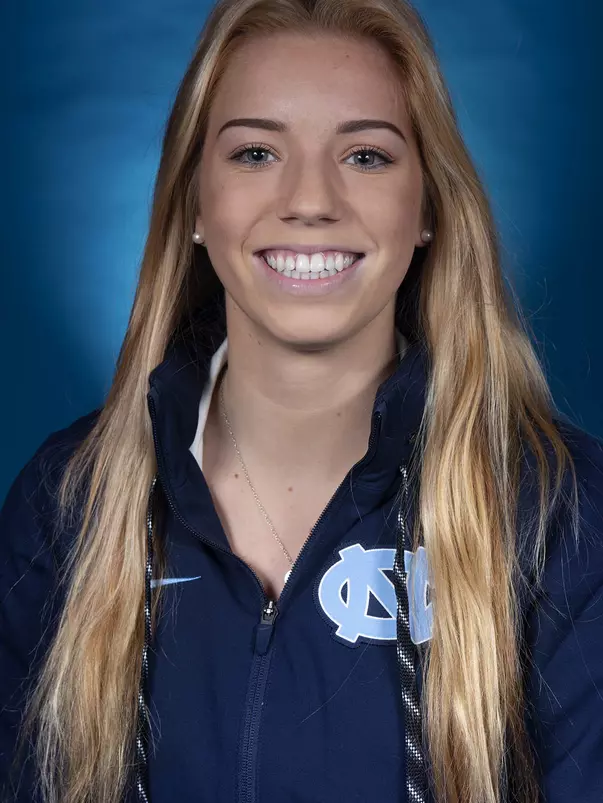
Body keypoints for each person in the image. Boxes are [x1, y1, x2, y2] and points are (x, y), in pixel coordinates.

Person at [2, 0, 602, 801]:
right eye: (255, 152)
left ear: (425, 206)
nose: (309, 199)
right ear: (193, 205)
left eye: (364, 155)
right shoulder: (65, 504)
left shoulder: (560, 510)